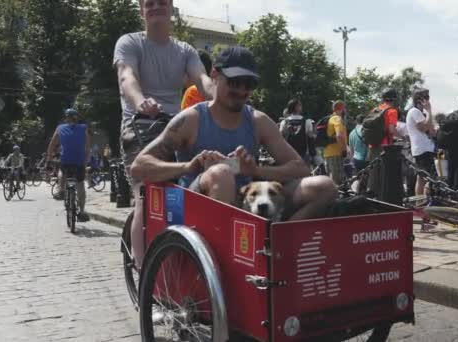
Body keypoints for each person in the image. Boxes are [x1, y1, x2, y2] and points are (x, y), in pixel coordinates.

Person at [130, 46, 338, 269]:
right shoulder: (191, 119)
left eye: (248, 84)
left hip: (248, 203)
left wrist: (255, 171)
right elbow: (139, 167)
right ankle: (229, 264)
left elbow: (300, 168)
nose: (241, 90)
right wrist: (190, 165)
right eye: (235, 82)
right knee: (221, 174)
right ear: (215, 75)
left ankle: (278, 242)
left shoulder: (258, 121)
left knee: (325, 186)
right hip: (196, 204)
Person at [114, 0, 216, 263]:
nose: (155, 6)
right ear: (141, 9)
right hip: (140, 124)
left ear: (171, 9)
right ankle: (142, 271)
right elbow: (127, 77)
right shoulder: (130, 42)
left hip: (176, 126)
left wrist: (220, 95)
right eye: (149, 3)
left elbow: (202, 79)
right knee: (145, 195)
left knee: (202, 179)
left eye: (162, 2)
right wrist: (140, 102)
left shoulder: (185, 50)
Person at [46, 108, 91, 222]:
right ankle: (81, 211)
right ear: (77, 118)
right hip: (79, 161)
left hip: (66, 160)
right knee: (80, 184)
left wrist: (49, 158)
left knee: (62, 170)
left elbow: (52, 145)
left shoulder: (60, 128)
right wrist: (85, 161)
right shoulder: (83, 128)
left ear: (66, 118)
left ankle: (60, 189)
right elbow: (87, 147)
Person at [367, 89, 400, 195]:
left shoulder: (375, 110)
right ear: (394, 99)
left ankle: (371, 194)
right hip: (385, 147)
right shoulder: (392, 111)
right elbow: (391, 130)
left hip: (372, 144)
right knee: (385, 174)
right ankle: (383, 197)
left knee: (373, 173)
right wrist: (402, 136)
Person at [406, 88, 436, 196]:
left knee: (425, 177)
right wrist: (429, 111)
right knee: (423, 178)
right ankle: (420, 201)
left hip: (427, 148)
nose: (428, 100)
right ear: (420, 99)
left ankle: (422, 200)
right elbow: (424, 127)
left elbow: (432, 131)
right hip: (422, 149)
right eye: (426, 97)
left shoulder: (421, 113)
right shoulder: (414, 112)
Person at [279, 99, 317, 165]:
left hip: (288, 153)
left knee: (290, 173)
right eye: (300, 105)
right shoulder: (307, 121)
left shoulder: (284, 122)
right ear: (297, 107)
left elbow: (281, 136)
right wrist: (315, 135)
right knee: (304, 174)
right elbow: (310, 135)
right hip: (303, 152)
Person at [321, 101, 348, 184]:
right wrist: (344, 149)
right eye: (345, 108)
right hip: (336, 153)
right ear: (342, 109)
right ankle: (338, 197)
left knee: (331, 180)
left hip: (327, 153)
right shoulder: (337, 118)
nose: (346, 111)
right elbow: (339, 135)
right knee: (338, 181)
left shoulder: (330, 119)